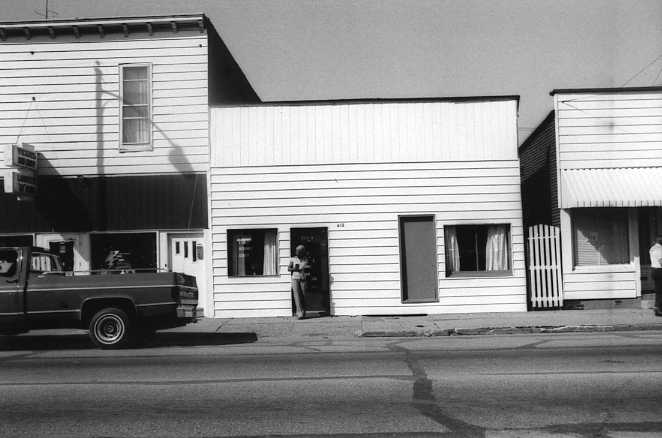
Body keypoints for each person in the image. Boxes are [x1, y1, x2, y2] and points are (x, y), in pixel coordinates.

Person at [288, 244, 311, 319]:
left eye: (299, 251)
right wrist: (294, 268)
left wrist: (295, 268)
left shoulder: (305, 259)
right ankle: (299, 313)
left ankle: (303, 312)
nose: (297, 252)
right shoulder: (293, 259)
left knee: (303, 296)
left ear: (302, 252)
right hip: (295, 278)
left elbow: (301, 267)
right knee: (296, 296)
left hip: (302, 279)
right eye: (296, 251)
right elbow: (289, 268)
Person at [649, 236, 662, 317]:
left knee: (658, 290)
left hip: (653, 270)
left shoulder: (652, 248)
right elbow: (661, 261)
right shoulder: (660, 249)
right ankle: (658, 309)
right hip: (660, 270)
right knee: (660, 291)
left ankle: (657, 307)